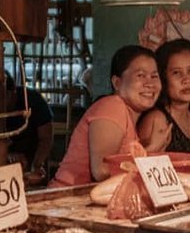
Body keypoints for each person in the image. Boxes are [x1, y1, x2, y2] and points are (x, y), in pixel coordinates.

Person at [49, 45, 160, 186]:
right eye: (140, 75)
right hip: (66, 199)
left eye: (154, 76)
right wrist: (150, 151)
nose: (150, 83)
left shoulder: (129, 115)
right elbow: (101, 171)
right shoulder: (112, 106)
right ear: (117, 83)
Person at [137, 39, 190, 157]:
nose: (186, 79)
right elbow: (145, 169)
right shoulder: (157, 119)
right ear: (163, 78)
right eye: (176, 72)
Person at [3, 74, 54, 186]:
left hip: (32, 155)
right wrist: (6, 155)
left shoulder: (33, 100)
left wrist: (36, 165)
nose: (0, 102)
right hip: (4, 158)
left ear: (13, 92)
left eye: (4, 97)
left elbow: (46, 138)